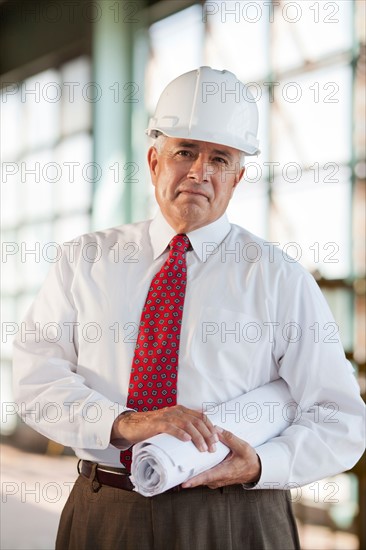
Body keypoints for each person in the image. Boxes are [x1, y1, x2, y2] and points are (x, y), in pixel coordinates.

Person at [13, 67, 365, 550]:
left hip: (236, 513)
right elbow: (37, 381)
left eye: (219, 158)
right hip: (108, 510)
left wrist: (264, 465)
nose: (199, 171)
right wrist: (125, 422)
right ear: (155, 161)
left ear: (237, 178)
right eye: (185, 151)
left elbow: (341, 417)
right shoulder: (84, 261)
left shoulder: (279, 278)